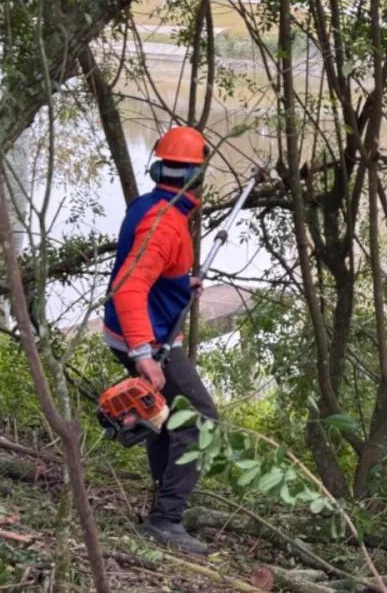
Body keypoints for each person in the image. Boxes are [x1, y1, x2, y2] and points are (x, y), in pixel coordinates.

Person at [102, 125, 218, 555]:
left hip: (135, 332)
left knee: (164, 417)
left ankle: (162, 508)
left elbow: (145, 270)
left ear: (158, 168)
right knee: (202, 418)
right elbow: (130, 287)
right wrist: (144, 355)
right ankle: (166, 520)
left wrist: (179, 283)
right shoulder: (166, 224)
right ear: (194, 176)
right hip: (146, 339)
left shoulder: (148, 206)